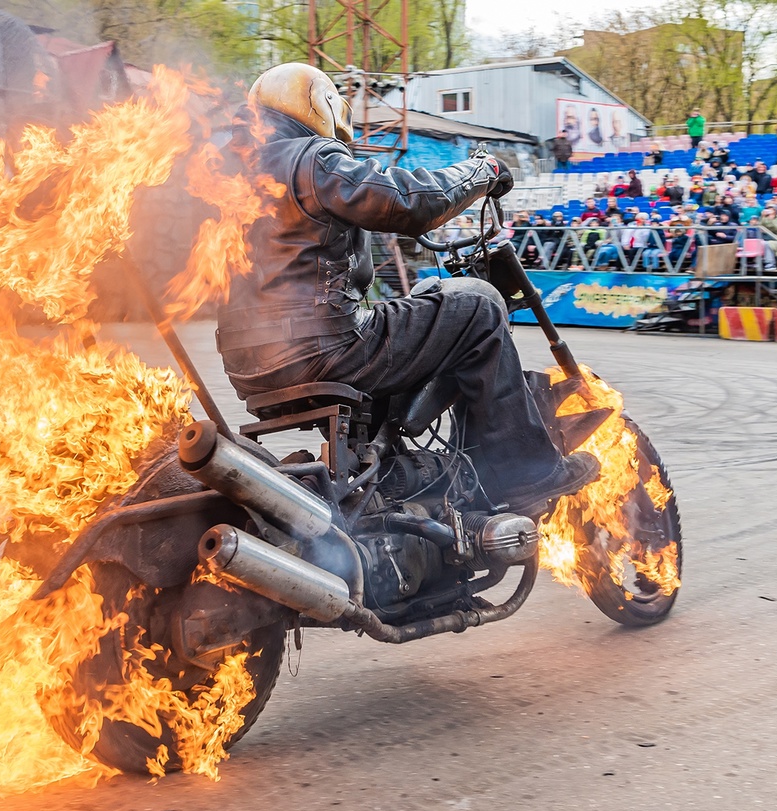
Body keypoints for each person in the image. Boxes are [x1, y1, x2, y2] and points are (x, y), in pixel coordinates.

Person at [218, 63, 599, 512]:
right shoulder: (310, 158)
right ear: (319, 104)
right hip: (325, 349)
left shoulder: (231, 179)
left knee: (411, 312)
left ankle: (391, 473)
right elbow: (409, 200)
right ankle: (524, 471)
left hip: (250, 367)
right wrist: (481, 172)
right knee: (478, 308)